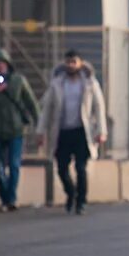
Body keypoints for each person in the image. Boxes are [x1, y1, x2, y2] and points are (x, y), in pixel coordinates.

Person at [37, 49, 107, 214]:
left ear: (80, 63)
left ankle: (81, 201)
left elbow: (99, 107)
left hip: (82, 131)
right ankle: (71, 192)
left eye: (74, 62)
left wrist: (101, 131)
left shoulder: (90, 83)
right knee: (61, 168)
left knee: (81, 168)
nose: (71, 65)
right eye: (68, 62)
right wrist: (40, 131)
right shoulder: (57, 84)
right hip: (62, 132)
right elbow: (47, 109)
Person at [0, 49, 40, 212]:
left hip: (15, 129)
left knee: (14, 165)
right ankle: (4, 198)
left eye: (2, 64)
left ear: (8, 65)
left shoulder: (18, 81)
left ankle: (11, 198)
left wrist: (39, 125)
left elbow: (31, 102)